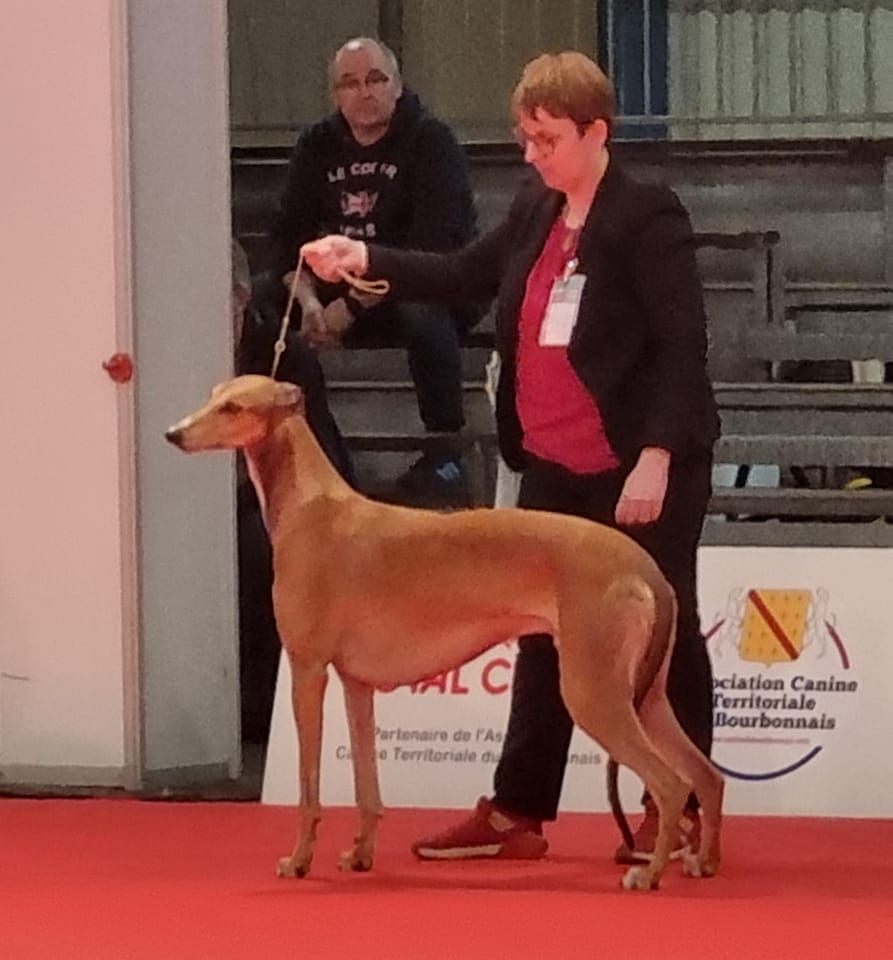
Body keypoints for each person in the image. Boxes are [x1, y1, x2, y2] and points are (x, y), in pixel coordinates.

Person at [300, 51, 719, 865]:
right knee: (539, 632)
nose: (531, 155)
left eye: (546, 139)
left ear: (595, 131)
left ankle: (686, 806)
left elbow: (681, 345)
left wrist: (657, 455)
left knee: (668, 636)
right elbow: (462, 272)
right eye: (524, 138)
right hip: (554, 460)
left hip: (639, 466)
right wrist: (365, 259)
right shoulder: (537, 206)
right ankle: (518, 808)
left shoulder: (646, 214)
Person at [266, 36, 480, 503]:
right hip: (336, 291)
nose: (364, 92)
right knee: (261, 305)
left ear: (398, 86)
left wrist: (350, 308)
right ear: (335, 95)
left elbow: (432, 249)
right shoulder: (317, 145)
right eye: (350, 83)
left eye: (375, 79)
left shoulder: (431, 141)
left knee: (424, 309)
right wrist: (308, 304)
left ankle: (446, 452)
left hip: (421, 287)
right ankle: (303, 446)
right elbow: (288, 239)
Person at [232, 239, 353, 742]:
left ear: (239, 297)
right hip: (194, 501)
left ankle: (261, 714)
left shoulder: (285, 358)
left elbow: (311, 459)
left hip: (271, 501)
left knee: (261, 549)